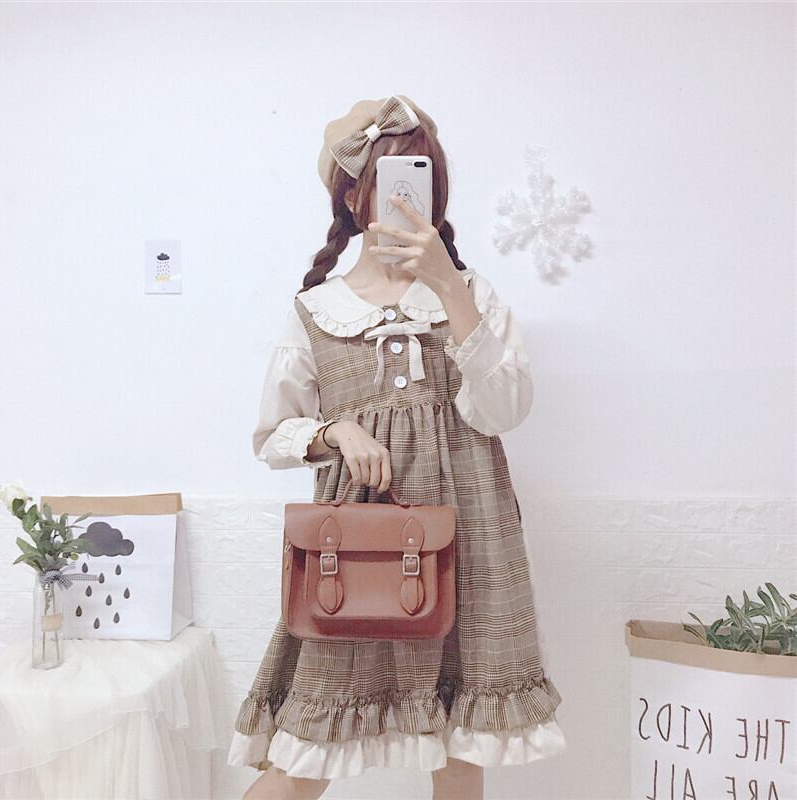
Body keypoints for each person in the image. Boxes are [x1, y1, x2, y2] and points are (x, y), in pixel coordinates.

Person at [228, 94, 567, 800]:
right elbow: (271, 434)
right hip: (354, 553)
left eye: (422, 178)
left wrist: (448, 285)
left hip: (469, 543)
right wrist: (334, 431)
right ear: (355, 196)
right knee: (304, 756)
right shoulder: (316, 311)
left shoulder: (471, 295)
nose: (409, 196)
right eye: (389, 179)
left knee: (460, 745)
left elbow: (503, 410)